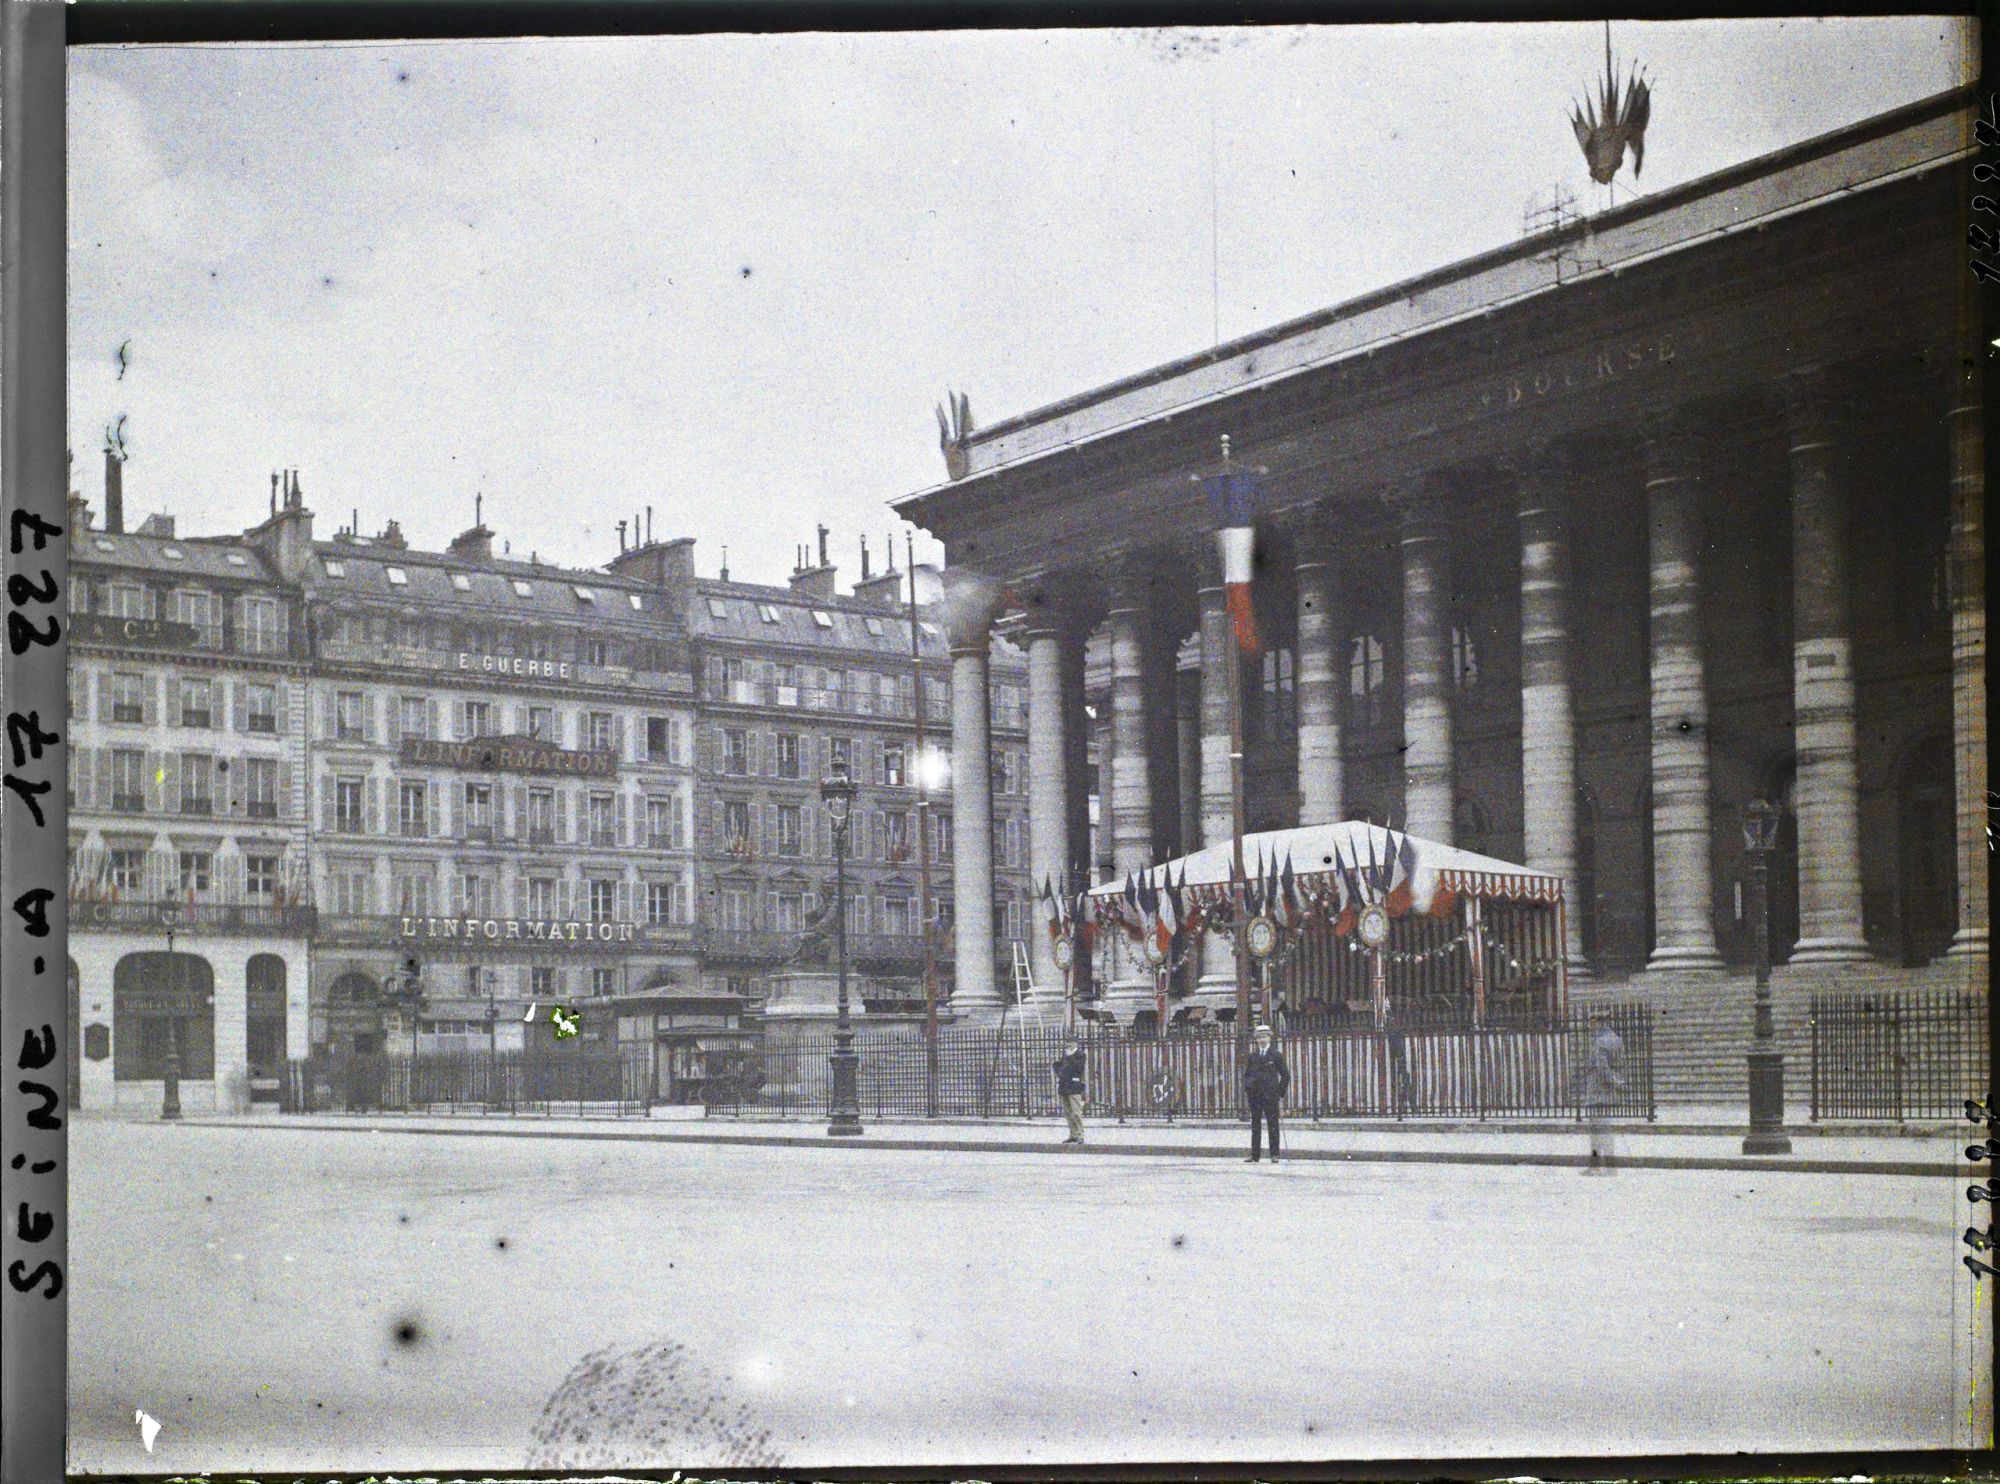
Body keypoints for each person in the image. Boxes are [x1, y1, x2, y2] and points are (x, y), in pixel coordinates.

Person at [1582, 1010, 1628, 1174]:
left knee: (1597, 1131)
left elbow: (1602, 1068)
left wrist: (1613, 1080)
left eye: (1593, 1023)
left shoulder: (1600, 1042)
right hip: (1609, 1092)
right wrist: (1619, 1082)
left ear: (1600, 1023)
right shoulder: (1616, 1040)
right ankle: (1605, 1166)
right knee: (1604, 1129)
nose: (1590, 1027)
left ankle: (1601, 1167)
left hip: (1597, 1092)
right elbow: (1621, 1065)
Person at [1243, 1023, 1290, 1163]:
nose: (1262, 1040)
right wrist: (1249, 1089)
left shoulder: (1276, 1055)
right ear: (1256, 1040)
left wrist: (1279, 1093)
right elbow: (1248, 1075)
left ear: (1269, 1038)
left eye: (1264, 1036)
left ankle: (1274, 1154)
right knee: (1255, 1125)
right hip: (1255, 1096)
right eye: (1259, 1037)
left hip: (1271, 1096)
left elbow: (1285, 1075)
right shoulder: (1252, 1056)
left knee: (1273, 1124)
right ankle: (1254, 1154)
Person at [1053, 1039, 1087, 1145]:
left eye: (1071, 1042)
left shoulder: (1080, 1054)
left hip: (1074, 1086)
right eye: (1067, 1042)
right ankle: (1073, 1134)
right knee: (1068, 1112)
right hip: (1064, 1085)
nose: (1069, 1044)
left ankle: (1080, 1134)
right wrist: (1057, 1068)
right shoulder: (1065, 1055)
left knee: (1076, 1112)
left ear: (1076, 1043)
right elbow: (1061, 1067)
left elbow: (1079, 1068)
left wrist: (1070, 1056)